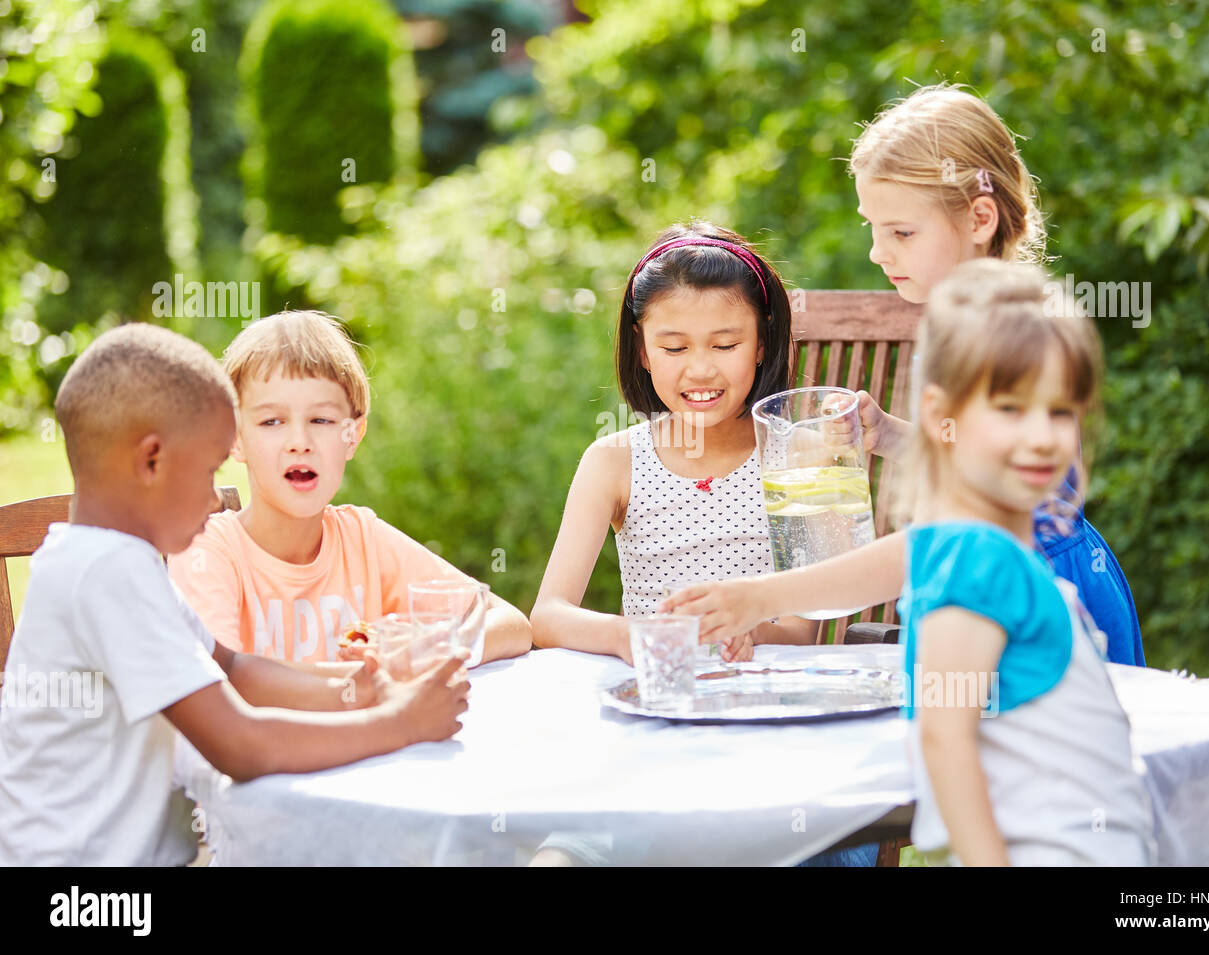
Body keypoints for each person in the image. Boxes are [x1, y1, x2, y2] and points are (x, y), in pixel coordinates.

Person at [667, 260, 1155, 865]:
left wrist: (760, 597)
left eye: (1060, 412)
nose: (1041, 436)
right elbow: (945, 744)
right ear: (942, 418)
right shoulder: (976, 559)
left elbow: (900, 558)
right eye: (1009, 410)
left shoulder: (975, 540)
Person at [0, 324, 470, 865]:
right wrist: (400, 724)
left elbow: (233, 667)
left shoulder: (109, 561)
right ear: (152, 461)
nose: (214, 498)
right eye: (207, 472)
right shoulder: (106, 573)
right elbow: (241, 747)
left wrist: (359, 689)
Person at [843, 83, 1144, 666]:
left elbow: (1019, 493)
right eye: (872, 229)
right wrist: (886, 434)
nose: (879, 252)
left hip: (1033, 594)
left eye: (902, 232)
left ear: (980, 217)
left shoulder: (1018, 327)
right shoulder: (957, 319)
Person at [169, 310, 532, 669]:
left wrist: (423, 649)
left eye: (321, 420)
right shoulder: (205, 550)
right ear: (234, 438)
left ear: (352, 436)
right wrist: (364, 678)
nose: (299, 441)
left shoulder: (364, 541)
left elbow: (511, 624)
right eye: (272, 421)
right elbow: (226, 679)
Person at [530, 223, 819, 666]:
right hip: (659, 696)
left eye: (725, 345)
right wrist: (626, 635)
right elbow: (549, 615)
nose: (700, 370)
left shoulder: (797, 455)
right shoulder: (614, 461)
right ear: (643, 351)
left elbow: (801, 630)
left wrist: (749, 629)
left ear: (761, 343)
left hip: (766, 695)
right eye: (674, 348)